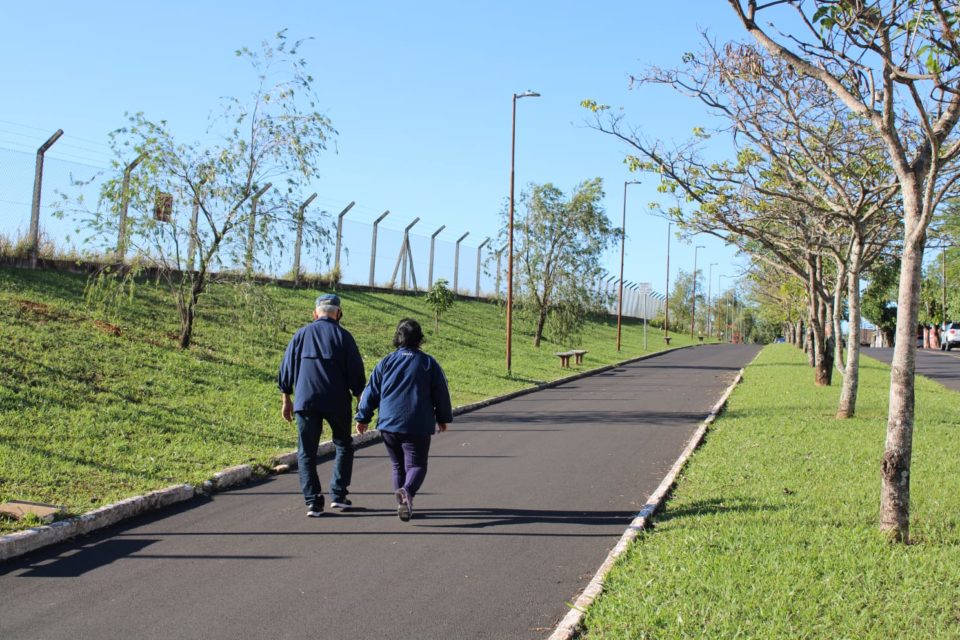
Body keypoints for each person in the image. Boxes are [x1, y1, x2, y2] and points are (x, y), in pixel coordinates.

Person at [355, 318, 453, 522]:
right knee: (417, 465)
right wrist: (443, 418)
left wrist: (363, 417)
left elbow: (370, 391)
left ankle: (402, 502)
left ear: (397, 337)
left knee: (397, 465)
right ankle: (407, 492)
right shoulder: (429, 363)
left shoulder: (386, 362)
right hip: (417, 424)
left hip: (389, 424)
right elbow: (441, 393)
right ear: (420, 338)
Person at [278, 293, 366, 517]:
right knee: (343, 444)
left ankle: (313, 502)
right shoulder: (344, 337)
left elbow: (286, 369)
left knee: (306, 452)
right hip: (337, 401)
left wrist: (286, 399)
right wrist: (360, 400)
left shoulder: (300, 335)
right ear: (339, 314)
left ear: (315, 313)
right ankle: (338, 495)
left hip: (305, 402)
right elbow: (356, 373)